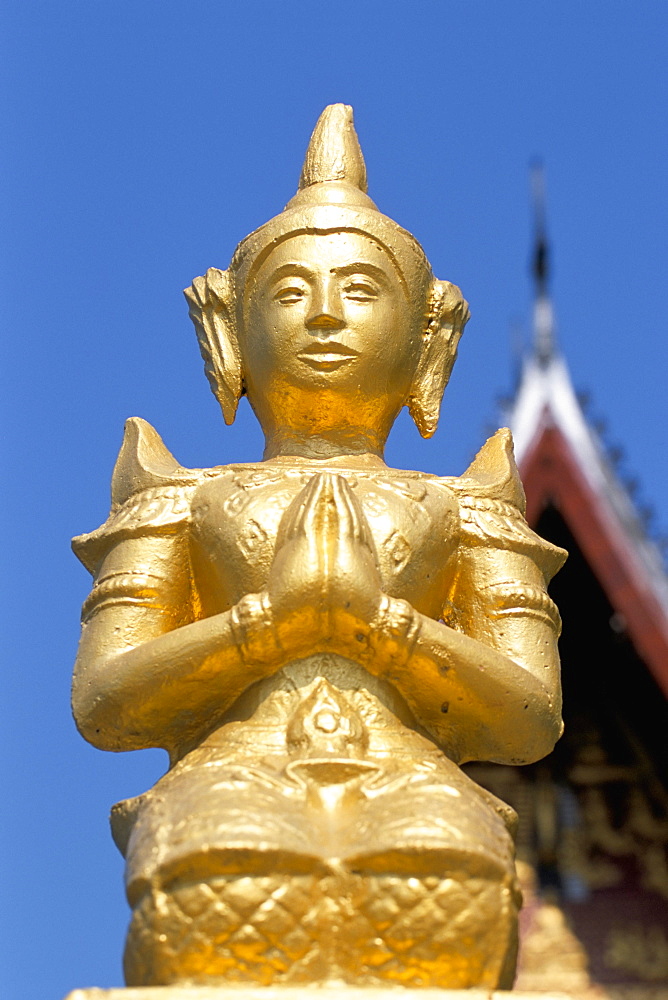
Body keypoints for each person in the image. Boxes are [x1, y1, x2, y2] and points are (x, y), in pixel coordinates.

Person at [72, 105, 565, 989]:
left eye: (363, 291)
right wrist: (271, 625)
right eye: (292, 292)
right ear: (228, 334)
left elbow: (529, 715)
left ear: (429, 340)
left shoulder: (468, 505)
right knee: (221, 866)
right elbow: (106, 701)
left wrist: (378, 626)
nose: (327, 316)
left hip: (414, 793)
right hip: (236, 783)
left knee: (450, 874)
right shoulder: (178, 495)